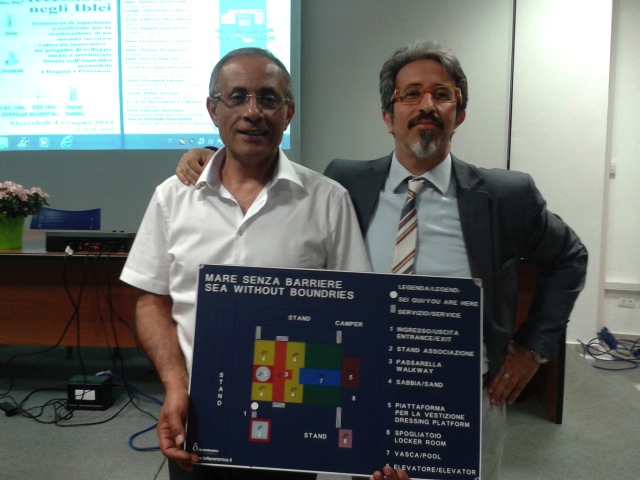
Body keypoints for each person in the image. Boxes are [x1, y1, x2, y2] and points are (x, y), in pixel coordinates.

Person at [175, 41, 588, 480]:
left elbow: (569, 257)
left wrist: (532, 350)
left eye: (442, 95)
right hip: (362, 394)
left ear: (460, 114)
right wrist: (211, 156)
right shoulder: (345, 182)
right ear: (388, 116)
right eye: (410, 94)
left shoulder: (505, 196)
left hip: (462, 400)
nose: (426, 105)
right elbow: (272, 176)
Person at [120, 47, 371, 480]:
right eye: (237, 97)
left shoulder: (328, 201)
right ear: (213, 110)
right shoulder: (172, 197)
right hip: (198, 418)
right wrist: (175, 385)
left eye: (268, 98)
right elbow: (151, 300)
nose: (253, 112)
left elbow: (357, 311)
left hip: (294, 421)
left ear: (288, 113)